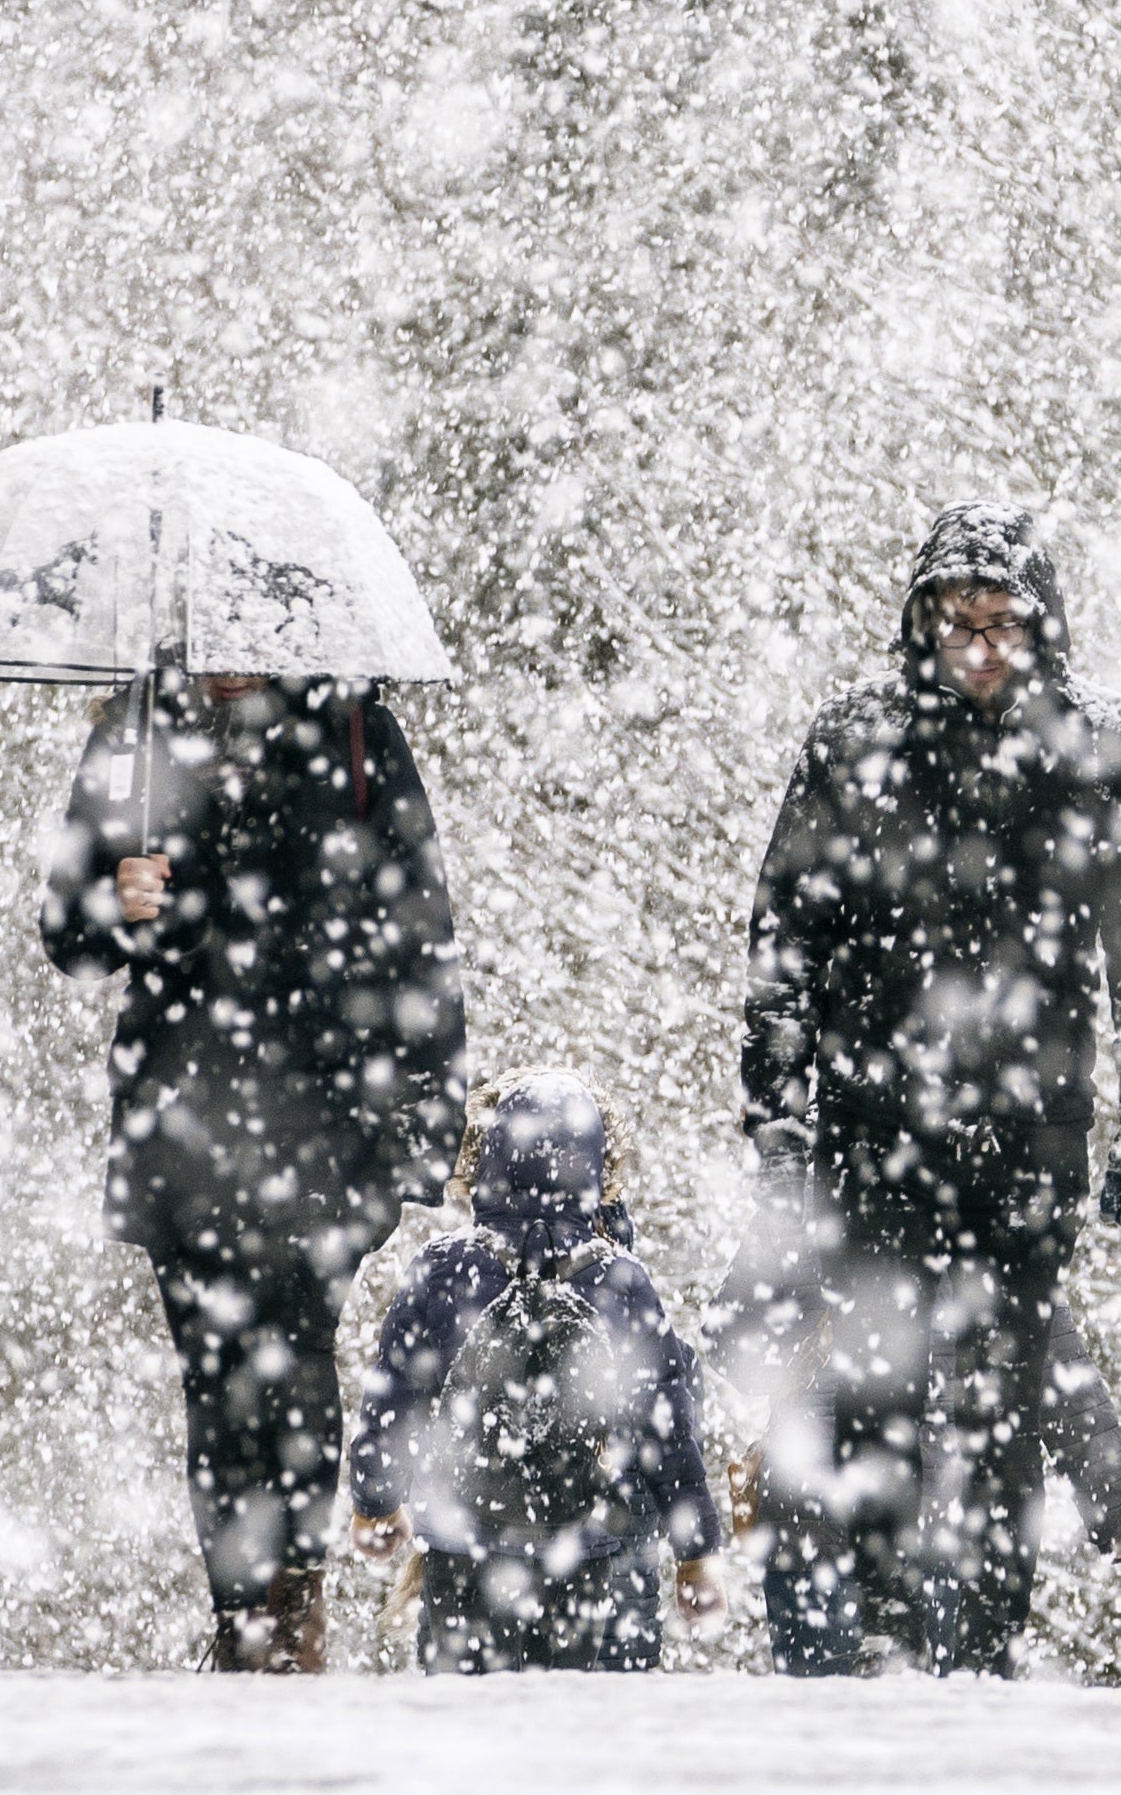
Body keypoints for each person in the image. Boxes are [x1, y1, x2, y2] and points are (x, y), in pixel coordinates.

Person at [738, 502, 1121, 1675]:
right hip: (873, 1126)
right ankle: (886, 1630)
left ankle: (983, 1644)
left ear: (1041, 628)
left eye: (1003, 624)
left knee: (1000, 1402)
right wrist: (780, 1126)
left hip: (1028, 1134)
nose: (981, 646)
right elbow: (783, 949)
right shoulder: (855, 747)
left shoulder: (1103, 754)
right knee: (877, 1393)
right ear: (922, 624)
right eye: (960, 622)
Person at [36, 668, 463, 1671]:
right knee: (216, 1383)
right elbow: (69, 934)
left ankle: (290, 1605)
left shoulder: (358, 731)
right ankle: (244, 1619)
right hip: (184, 1121)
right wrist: (113, 896)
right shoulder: (138, 728)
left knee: (297, 1364)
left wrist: (418, 1137)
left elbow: (423, 938)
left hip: (324, 1119)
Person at [348, 1070, 723, 1671]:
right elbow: (669, 1429)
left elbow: (395, 1397)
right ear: (599, 1167)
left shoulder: (444, 1267)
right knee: (567, 1718)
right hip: (580, 1546)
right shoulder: (620, 1278)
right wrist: (695, 1553)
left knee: (458, 1716)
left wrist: (375, 1500)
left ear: (485, 1157)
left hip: (460, 1542)